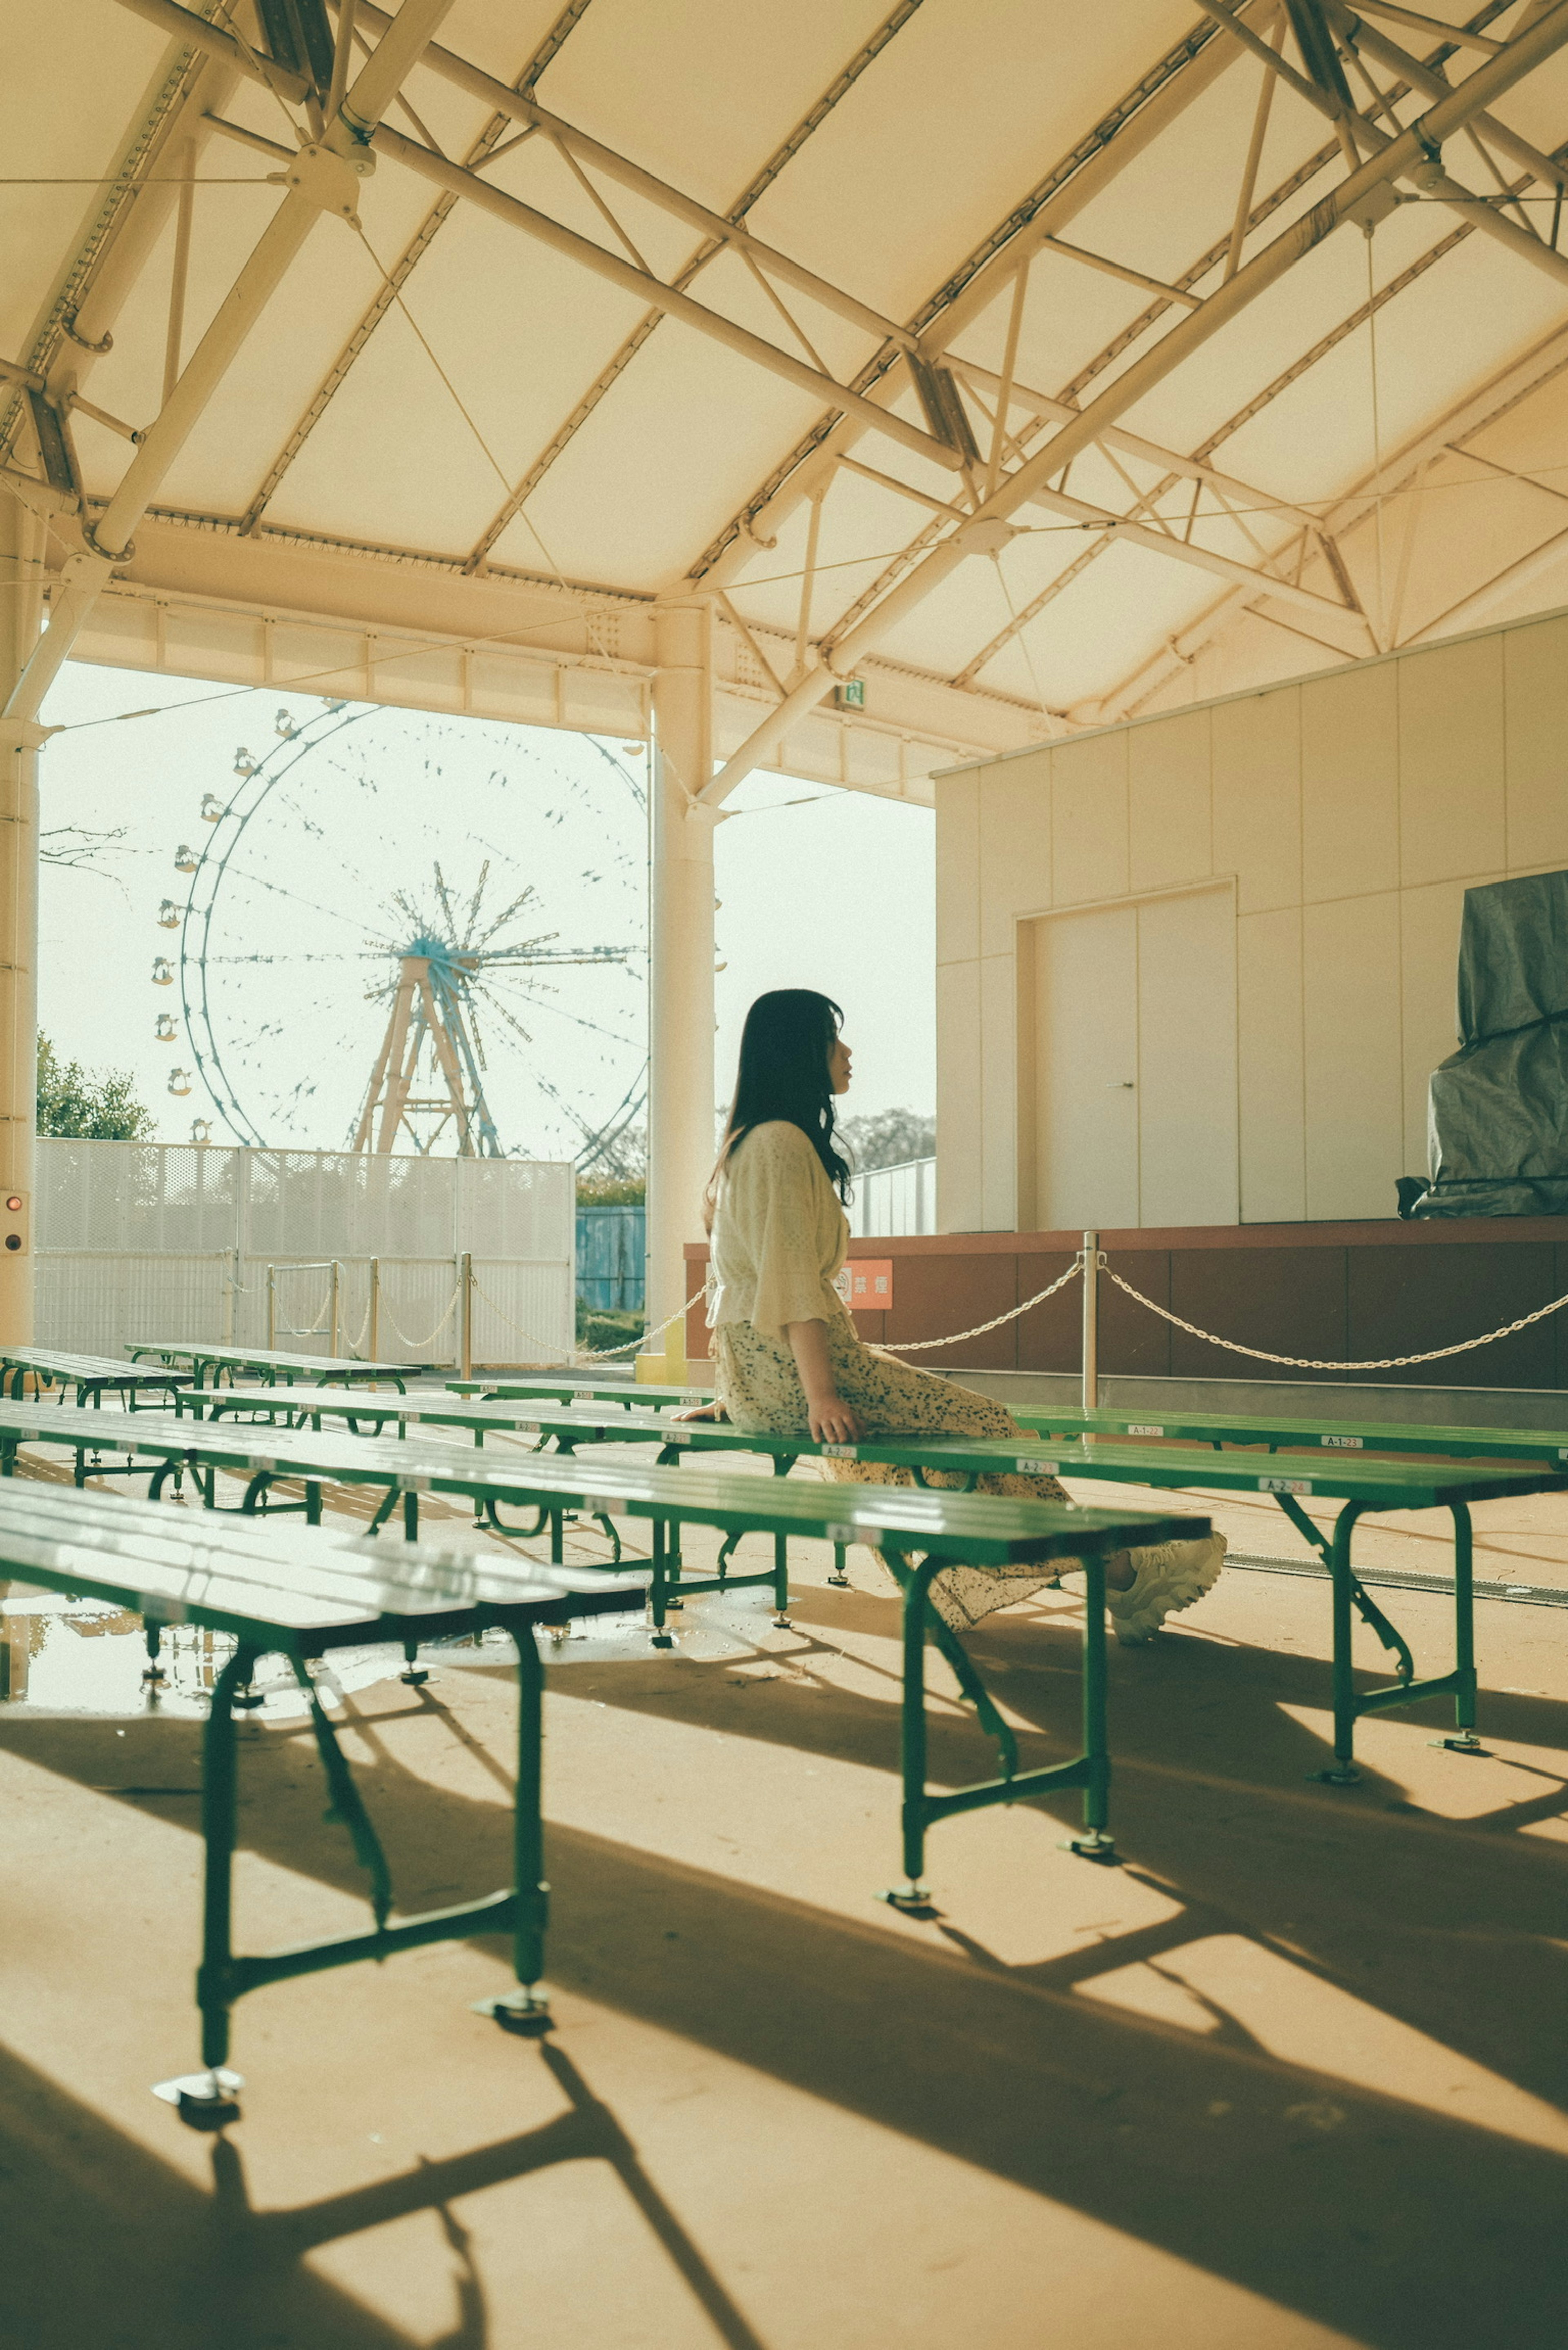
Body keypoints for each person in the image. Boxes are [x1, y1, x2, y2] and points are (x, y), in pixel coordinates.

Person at [695, 988, 1224, 1638]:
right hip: (800, 1374)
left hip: (770, 1379)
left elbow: (740, 1288)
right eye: (833, 1040)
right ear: (800, 1051)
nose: (848, 1052)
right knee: (988, 1424)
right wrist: (820, 1392)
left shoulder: (746, 1143)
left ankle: (1112, 1574)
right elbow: (792, 1284)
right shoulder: (780, 1143)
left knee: (946, 1444)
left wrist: (740, 1391)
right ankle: (1121, 1573)